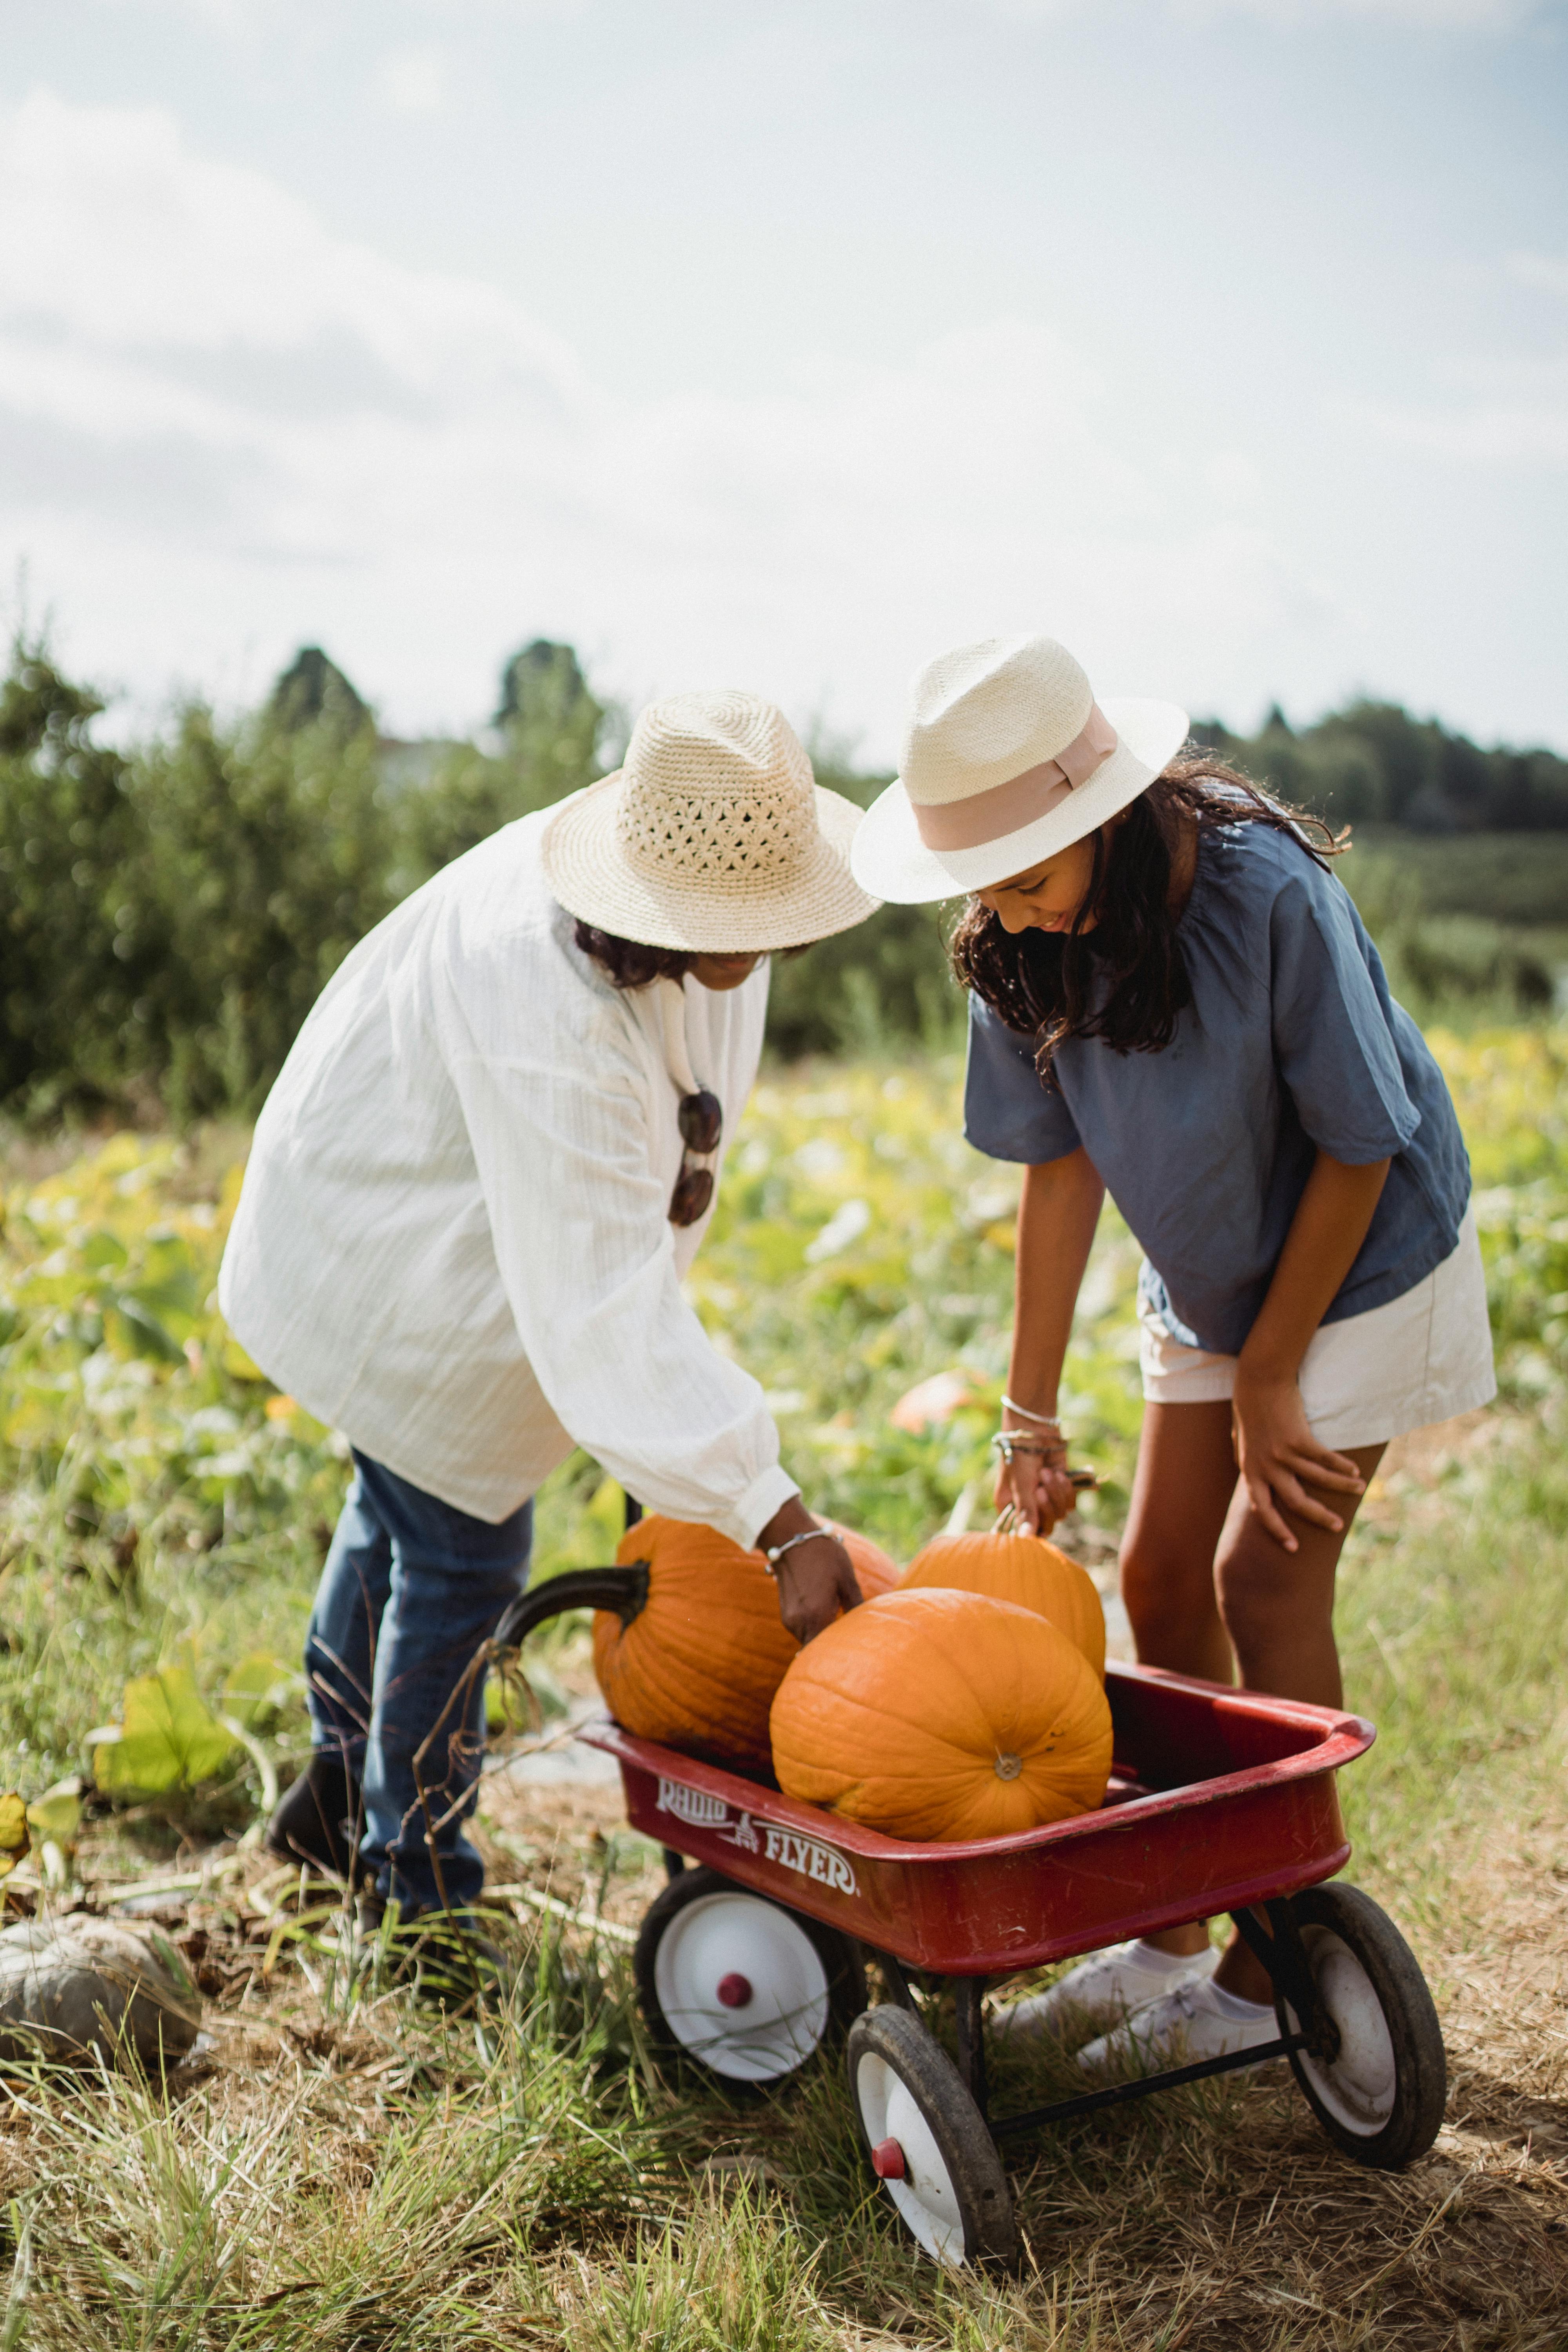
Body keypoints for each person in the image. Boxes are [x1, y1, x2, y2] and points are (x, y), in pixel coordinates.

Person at [850, 634, 1494, 2070]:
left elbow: (1361, 1138)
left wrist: (1272, 1376)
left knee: (1261, 1569)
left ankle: (1279, 1975)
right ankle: (1175, 1937)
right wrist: (1029, 1409)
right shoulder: (1018, 941)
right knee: (1151, 1576)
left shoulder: (1270, 896)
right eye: (983, 879)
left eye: (1026, 869)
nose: (1003, 908)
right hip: (1204, 1263)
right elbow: (1061, 1167)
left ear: (1101, 820)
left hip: (1362, 1251)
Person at [220, 690, 880, 1930]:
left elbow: (647, 1178)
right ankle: (417, 1892)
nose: (759, 945)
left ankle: (333, 1783)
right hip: (390, 1229)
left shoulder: (698, 904)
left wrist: (677, 1450)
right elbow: (600, 1297)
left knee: (396, 1503)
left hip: (458, 1208)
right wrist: (774, 1518)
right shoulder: (545, 998)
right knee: (463, 1545)